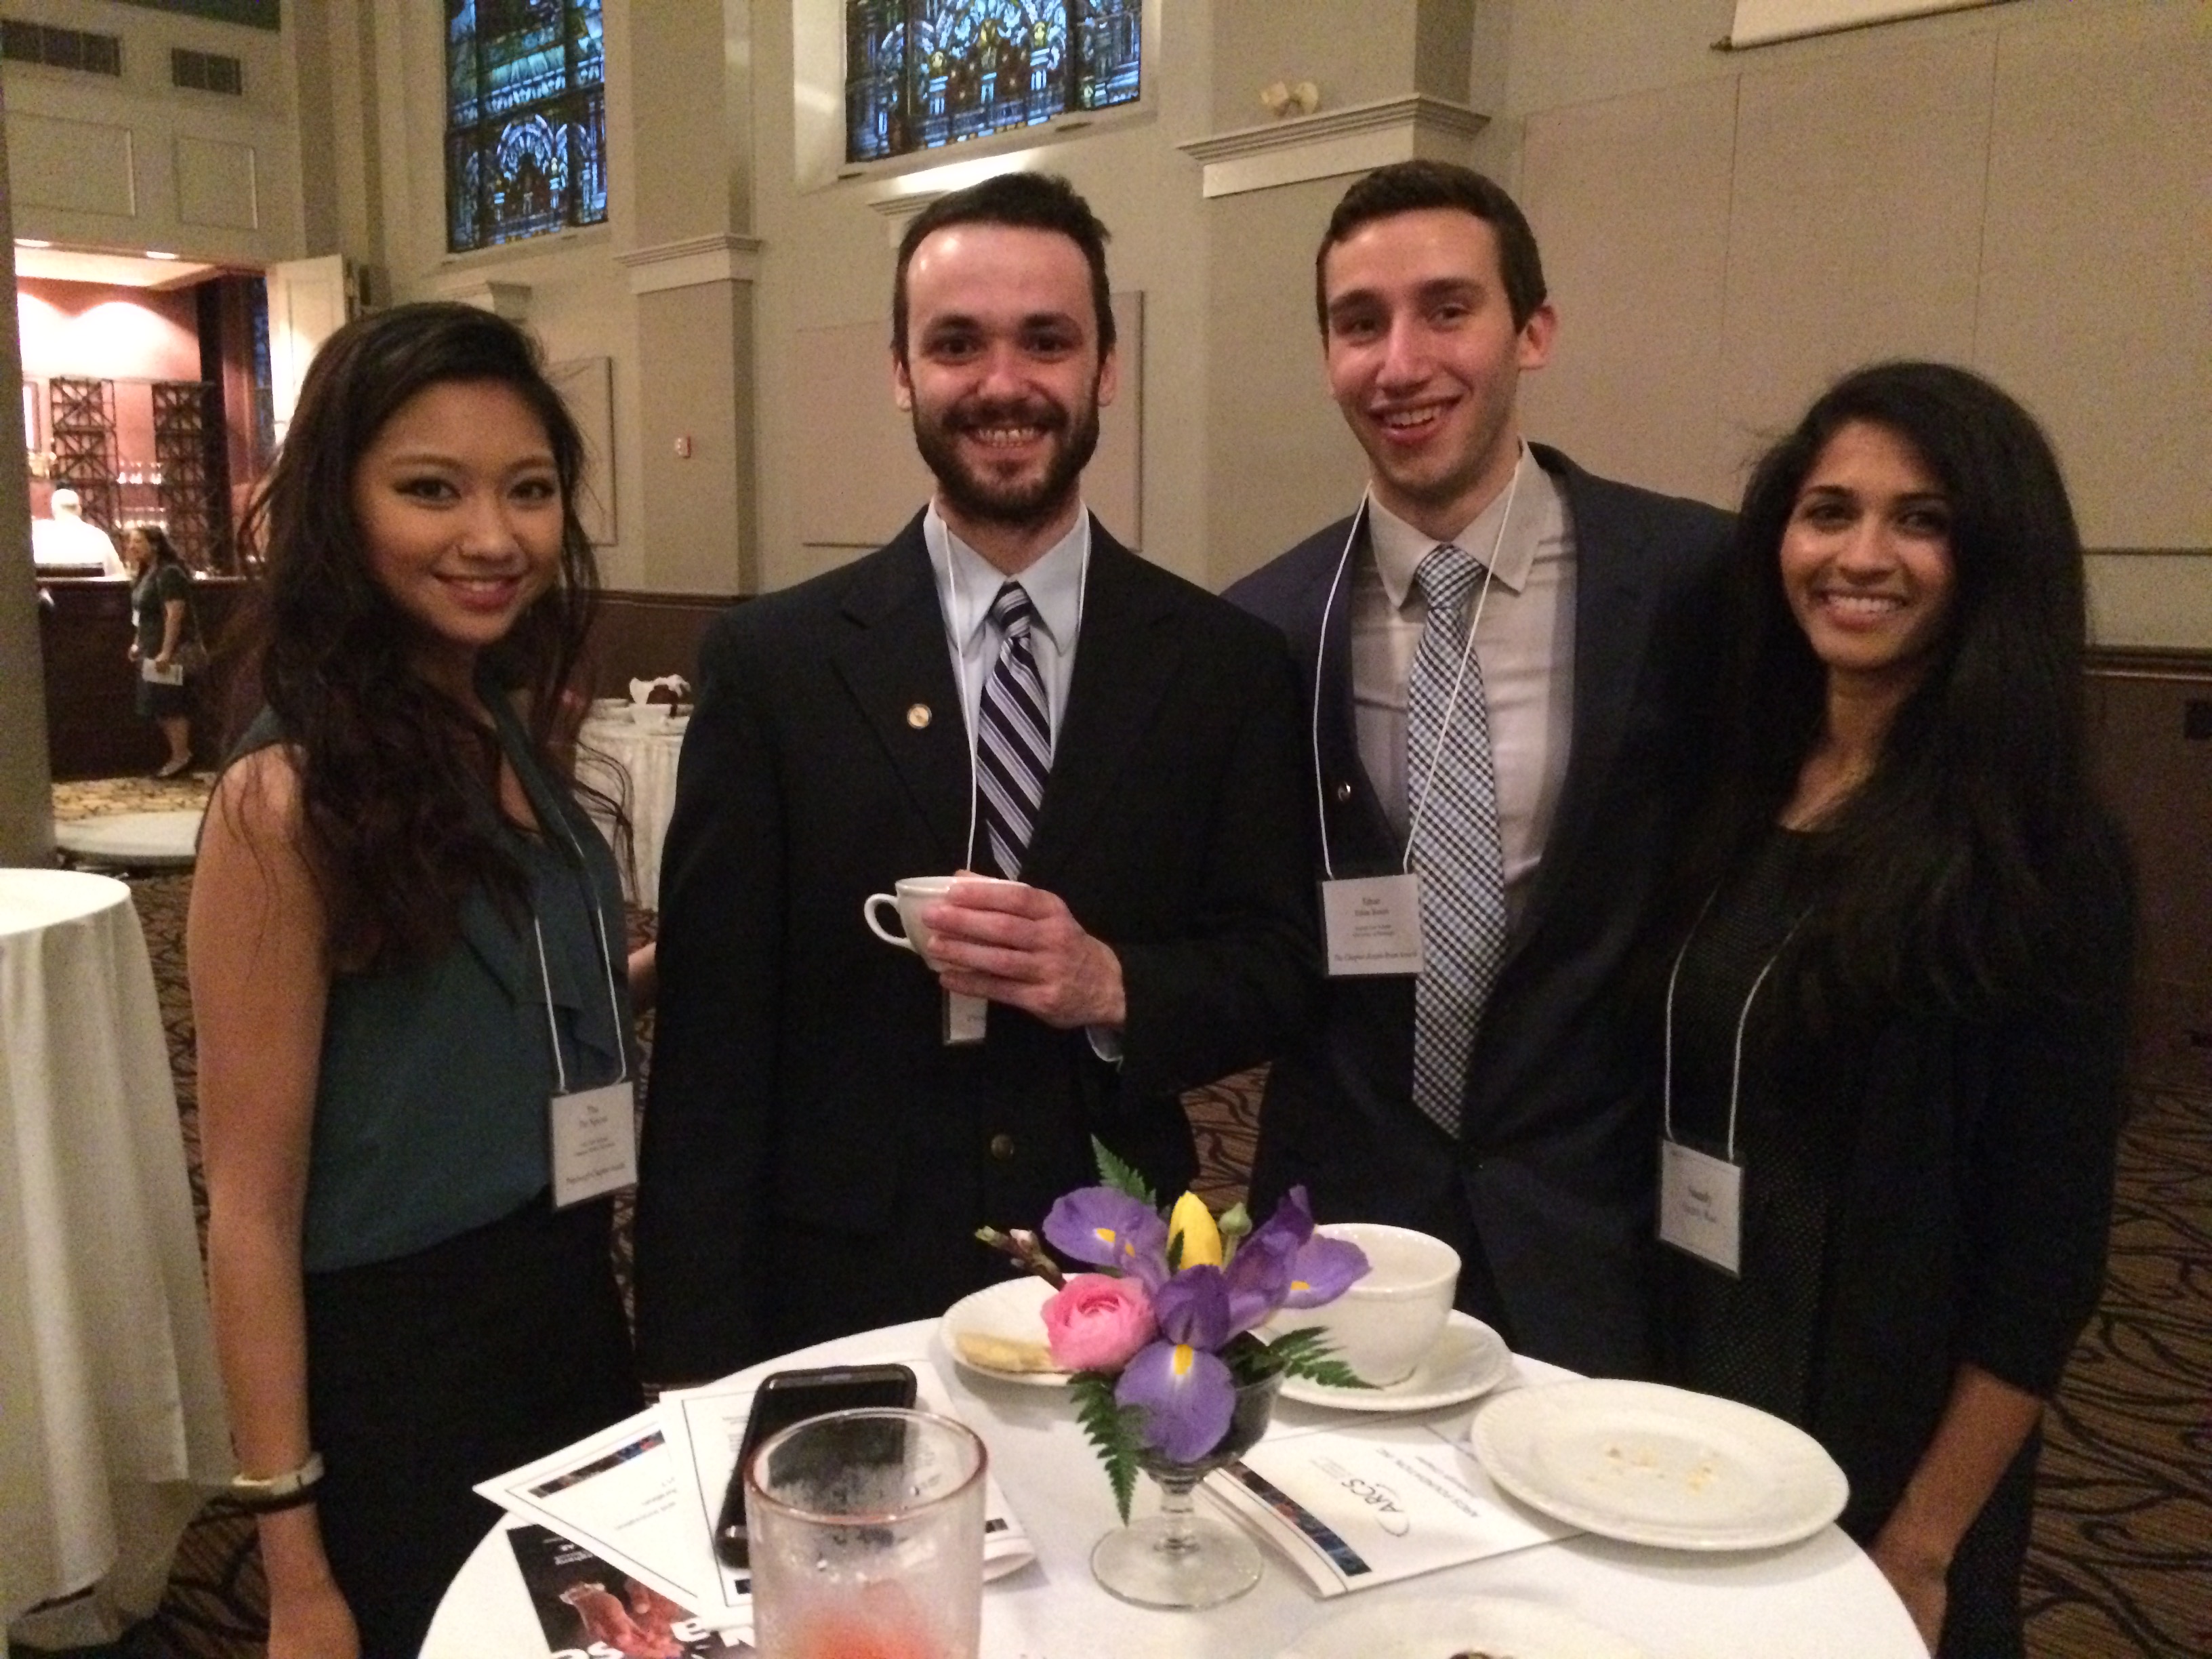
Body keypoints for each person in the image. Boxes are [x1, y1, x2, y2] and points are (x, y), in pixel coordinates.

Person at [633, 172, 1317, 1382]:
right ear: (901, 370)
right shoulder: (773, 665)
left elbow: (1275, 965)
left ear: (1106, 366)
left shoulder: (1223, 665)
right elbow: (710, 1047)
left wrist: (1113, 982)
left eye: (1046, 341)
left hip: (1117, 1278)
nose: (1004, 384)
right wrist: (694, 1365)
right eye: (957, 344)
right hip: (837, 1282)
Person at [1649, 361, 2133, 1656]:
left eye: (1919, 520)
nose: (1860, 556)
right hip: (1695, 1362)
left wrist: (1920, 1541)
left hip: (1879, 1433)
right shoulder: (1737, 783)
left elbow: (2044, 1256)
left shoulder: (2038, 851)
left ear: (1990, 561)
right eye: (1828, 511)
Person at [188, 303, 649, 1659]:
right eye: (432, 490)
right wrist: (293, 1565)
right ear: (340, 505)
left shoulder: (500, 717)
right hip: (405, 1358)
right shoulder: (283, 797)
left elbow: (489, 1007)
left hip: (568, 1295)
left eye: (530, 490)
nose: (493, 537)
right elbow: (249, 1212)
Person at [1226, 160, 1732, 1379]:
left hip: (1595, 1213)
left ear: (1532, 332)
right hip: (1344, 1218)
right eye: (1360, 324)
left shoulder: (1691, 581)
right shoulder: (1262, 627)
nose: (1400, 363)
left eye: (1447, 310)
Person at [123, 523, 198, 777]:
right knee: (157, 703)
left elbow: (175, 614)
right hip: (149, 647)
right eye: (130, 542)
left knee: (169, 703)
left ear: (154, 545)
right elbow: (142, 615)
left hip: (166, 649)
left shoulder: (169, 573)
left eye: (137, 541)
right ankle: (178, 755)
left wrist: (166, 651)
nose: (131, 546)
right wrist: (137, 642)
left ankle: (181, 756)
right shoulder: (146, 574)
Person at [31, 485, 126, 575]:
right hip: (90, 587)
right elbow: (118, 576)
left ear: (53, 510)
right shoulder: (99, 537)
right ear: (79, 510)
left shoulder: (38, 537)